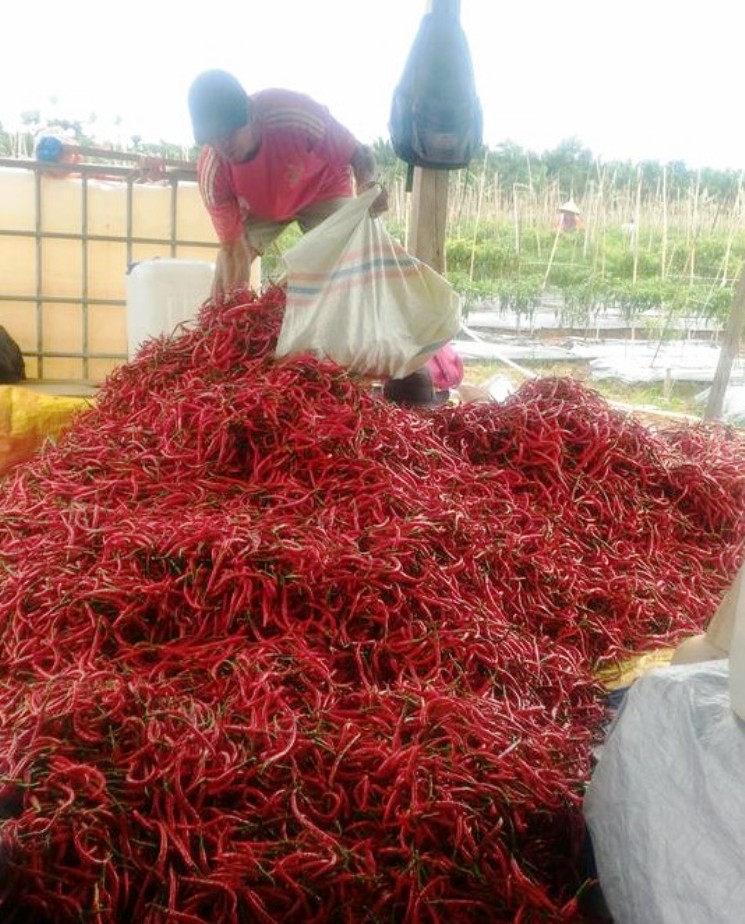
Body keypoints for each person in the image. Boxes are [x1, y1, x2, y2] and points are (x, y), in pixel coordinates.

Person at [187, 69, 388, 300]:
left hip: (321, 187)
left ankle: (294, 303)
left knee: (348, 254)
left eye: (230, 133)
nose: (224, 145)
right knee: (225, 285)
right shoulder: (213, 171)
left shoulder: (296, 115)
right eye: (214, 139)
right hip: (258, 206)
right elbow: (233, 248)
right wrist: (232, 309)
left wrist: (367, 184)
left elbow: (360, 154)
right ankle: (261, 312)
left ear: (251, 114)